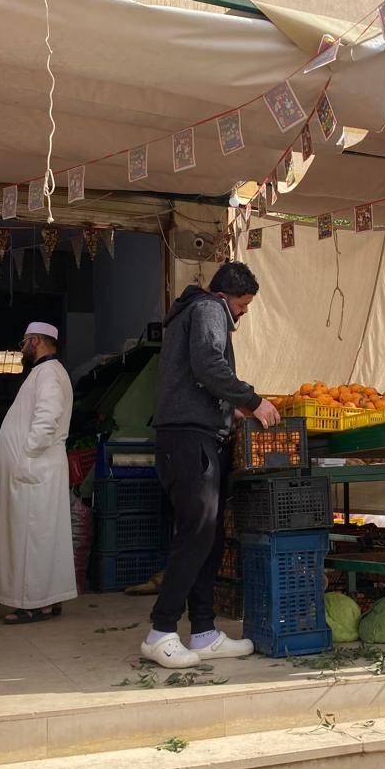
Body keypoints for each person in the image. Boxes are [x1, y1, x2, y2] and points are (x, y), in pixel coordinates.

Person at [142, 262, 280, 669]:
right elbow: (207, 364)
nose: (243, 313)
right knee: (197, 533)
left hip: (194, 437)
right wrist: (252, 401)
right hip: (189, 441)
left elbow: (194, 377)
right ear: (225, 296)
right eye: (243, 305)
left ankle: (203, 631)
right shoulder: (208, 309)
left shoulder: (194, 311)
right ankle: (160, 631)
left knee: (210, 536)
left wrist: (226, 410)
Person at [0, 322, 76, 624]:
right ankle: (48, 599)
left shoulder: (48, 373)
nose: (22, 348)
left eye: (24, 342)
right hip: (38, 467)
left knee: (31, 539)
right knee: (42, 537)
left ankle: (32, 604)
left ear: (35, 341)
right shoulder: (47, 372)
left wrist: (27, 455)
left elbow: (47, 419)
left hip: (36, 467)